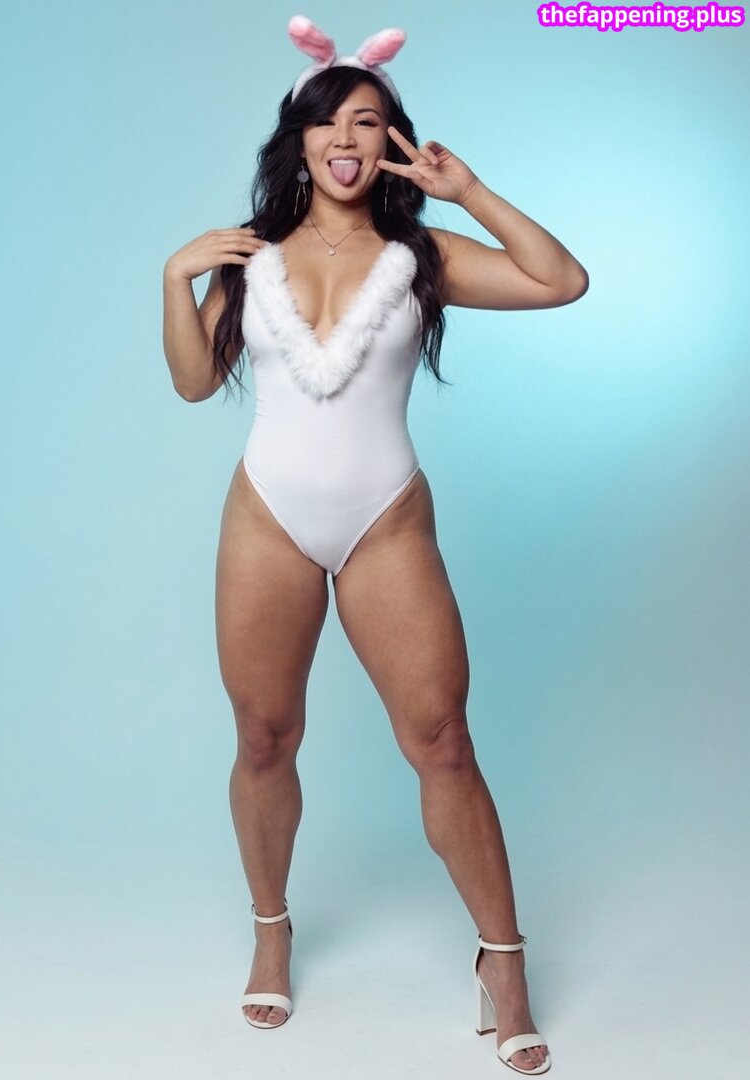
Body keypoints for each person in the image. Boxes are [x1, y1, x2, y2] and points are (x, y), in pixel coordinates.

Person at [162, 15, 587, 1075]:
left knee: (442, 740)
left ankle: (503, 962)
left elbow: (560, 281)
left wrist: (468, 191)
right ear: (298, 139)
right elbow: (195, 383)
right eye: (328, 122)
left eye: (367, 121)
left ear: (391, 140)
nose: (345, 140)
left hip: (385, 521)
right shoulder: (249, 256)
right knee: (266, 737)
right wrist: (175, 279)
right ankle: (272, 929)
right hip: (267, 517)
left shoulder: (422, 256)